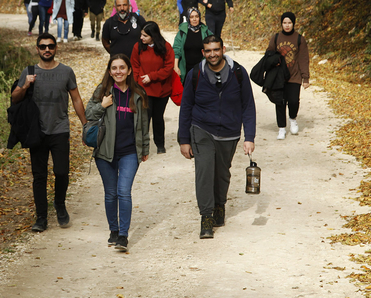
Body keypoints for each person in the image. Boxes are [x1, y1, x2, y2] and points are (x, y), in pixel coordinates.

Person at [178, 35, 256, 239]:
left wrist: (249, 136)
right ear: (203, 52)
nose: (212, 54)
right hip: (201, 128)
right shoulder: (195, 74)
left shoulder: (238, 72)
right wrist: (183, 140)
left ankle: (220, 204)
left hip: (229, 132)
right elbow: (186, 107)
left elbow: (248, 105)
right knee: (204, 171)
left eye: (216, 50)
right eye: (208, 51)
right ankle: (206, 217)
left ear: (223, 49)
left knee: (222, 173)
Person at [11, 34, 87, 231]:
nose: (47, 49)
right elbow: (14, 98)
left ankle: (60, 204)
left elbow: (76, 99)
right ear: (37, 49)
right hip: (36, 131)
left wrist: (86, 125)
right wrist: (26, 84)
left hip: (60, 129)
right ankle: (41, 217)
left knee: (61, 172)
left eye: (50, 46)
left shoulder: (66, 72)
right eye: (43, 46)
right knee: (39, 176)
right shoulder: (28, 71)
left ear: (55, 48)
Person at [85, 54, 150, 252]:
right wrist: (102, 105)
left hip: (130, 151)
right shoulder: (103, 90)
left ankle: (123, 235)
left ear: (129, 70)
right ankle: (113, 230)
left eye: (122, 67)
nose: (118, 71)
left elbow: (144, 124)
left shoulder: (137, 93)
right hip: (105, 152)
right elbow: (88, 114)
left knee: (124, 192)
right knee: (111, 193)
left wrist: (145, 148)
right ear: (110, 71)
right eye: (114, 68)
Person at [131, 21, 174, 154]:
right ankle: (144, 146)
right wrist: (137, 83)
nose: (141, 38)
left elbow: (168, 68)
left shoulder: (166, 47)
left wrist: (152, 76)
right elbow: (135, 66)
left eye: (145, 36)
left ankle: (160, 145)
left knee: (158, 117)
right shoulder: (138, 47)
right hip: (144, 90)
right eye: (141, 35)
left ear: (153, 36)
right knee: (145, 118)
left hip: (162, 90)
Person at [267, 12, 310, 140]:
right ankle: (281, 128)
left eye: (289, 23)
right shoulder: (276, 38)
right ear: (281, 24)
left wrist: (305, 78)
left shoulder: (299, 39)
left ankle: (292, 119)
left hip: (294, 76)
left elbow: (303, 59)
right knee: (279, 102)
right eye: (284, 23)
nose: (287, 25)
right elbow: (268, 54)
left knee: (293, 101)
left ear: (293, 23)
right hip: (279, 76)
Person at [173, 7, 213, 81]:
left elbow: (214, 46)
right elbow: (176, 50)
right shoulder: (182, 32)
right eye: (191, 17)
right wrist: (176, 67)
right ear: (188, 18)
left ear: (199, 18)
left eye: (196, 16)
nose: (194, 19)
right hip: (185, 68)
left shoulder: (206, 32)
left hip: (201, 69)